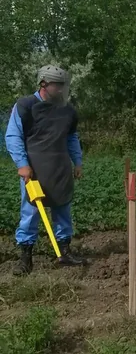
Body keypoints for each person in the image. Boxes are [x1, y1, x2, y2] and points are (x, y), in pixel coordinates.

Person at [5, 65, 85, 275]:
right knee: (30, 213)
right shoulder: (25, 105)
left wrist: (77, 161)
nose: (61, 90)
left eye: (62, 86)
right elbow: (13, 136)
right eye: (57, 86)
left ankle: (64, 251)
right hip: (34, 170)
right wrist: (22, 164)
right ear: (43, 84)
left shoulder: (67, 109)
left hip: (60, 167)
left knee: (62, 207)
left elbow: (71, 137)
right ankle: (25, 258)